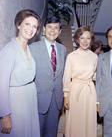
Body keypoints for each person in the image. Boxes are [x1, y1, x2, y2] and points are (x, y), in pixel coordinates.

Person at [0, 9, 41, 137]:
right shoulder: (10, 49)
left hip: (29, 102)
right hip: (16, 104)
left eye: (34, 26)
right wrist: (5, 115)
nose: (31, 29)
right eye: (27, 24)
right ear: (19, 25)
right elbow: (2, 84)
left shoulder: (28, 48)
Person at [29, 17, 66, 137]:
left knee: (51, 133)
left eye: (56, 27)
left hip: (56, 100)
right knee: (37, 132)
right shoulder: (33, 48)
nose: (52, 30)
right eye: (49, 27)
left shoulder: (63, 49)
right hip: (39, 99)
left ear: (60, 31)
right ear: (44, 29)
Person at [63, 26, 98, 137]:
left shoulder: (94, 56)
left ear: (91, 40)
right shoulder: (71, 56)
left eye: (88, 38)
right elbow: (66, 76)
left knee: (88, 119)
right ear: (77, 40)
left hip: (89, 91)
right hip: (75, 90)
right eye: (82, 38)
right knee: (75, 120)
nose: (85, 41)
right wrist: (66, 95)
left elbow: (95, 75)